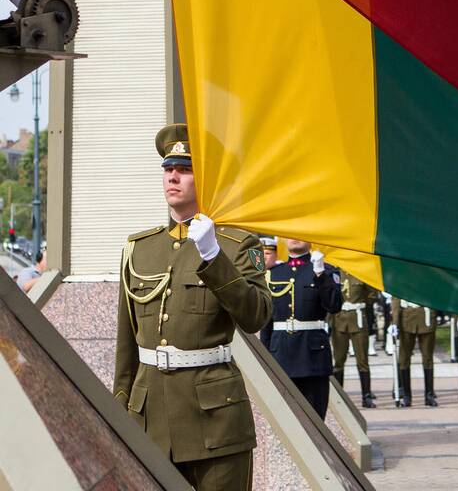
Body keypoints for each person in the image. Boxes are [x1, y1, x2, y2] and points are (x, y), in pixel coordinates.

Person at [113, 123, 271, 490]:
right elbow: (127, 345)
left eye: (185, 170)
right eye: (168, 169)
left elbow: (256, 316)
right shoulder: (140, 248)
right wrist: (119, 408)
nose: (173, 178)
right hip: (150, 417)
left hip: (215, 418)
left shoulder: (235, 244)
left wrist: (213, 255)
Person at [260, 239, 343, 419]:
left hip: (312, 356)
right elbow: (267, 323)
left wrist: (321, 275)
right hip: (281, 355)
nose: (294, 238)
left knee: (315, 417)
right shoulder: (273, 274)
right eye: (289, 234)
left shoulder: (326, 270)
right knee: (285, 418)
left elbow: (334, 306)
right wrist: (265, 359)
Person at [330, 270, 379, 407]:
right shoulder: (335, 273)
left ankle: (366, 396)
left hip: (358, 320)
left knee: (362, 360)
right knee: (339, 360)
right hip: (339, 319)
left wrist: (361, 304)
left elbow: (372, 295)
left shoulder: (361, 272)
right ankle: (339, 396)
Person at [389, 299, 437, 407]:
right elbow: (396, 299)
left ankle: (429, 395)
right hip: (407, 318)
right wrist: (395, 322)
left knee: (428, 359)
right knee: (404, 359)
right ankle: (406, 395)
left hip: (426, 317)